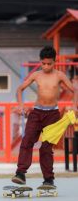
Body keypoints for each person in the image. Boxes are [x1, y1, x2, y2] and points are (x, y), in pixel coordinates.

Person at [11, 46, 77, 187]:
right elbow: (20, 89)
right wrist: (21, 105)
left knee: (46, 148)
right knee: (27, 140)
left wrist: (74, 106)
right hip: (36, 112)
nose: (46, 66)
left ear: (55, 62)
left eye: (49, 63)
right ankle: (20, 173)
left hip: (52, 115)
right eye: (43, 63)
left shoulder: (60, 75)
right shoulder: (36, 75)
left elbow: (74, 90)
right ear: (40, 62)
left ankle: (48, 179)